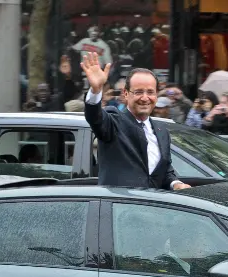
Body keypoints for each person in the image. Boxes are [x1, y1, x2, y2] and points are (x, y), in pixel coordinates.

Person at [80, 52, 189, 191]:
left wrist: (176, 184)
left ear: (156, 94)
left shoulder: (162, 130)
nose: (145, 98)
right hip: (119, 208)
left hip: (155, 208)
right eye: (138, 92)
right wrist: (96, 90)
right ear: (126, 93)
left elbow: (164, 170)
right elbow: (94, 117)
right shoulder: (114, 120)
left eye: (150, 92)